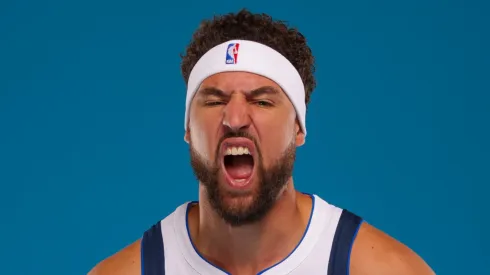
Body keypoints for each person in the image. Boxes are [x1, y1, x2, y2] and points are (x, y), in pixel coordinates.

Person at [88, 9, 436, 275]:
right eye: (213, 100)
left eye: (262, 101)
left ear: (298, 129)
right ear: (189, 129)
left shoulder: (382, 268)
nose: (235, 118)